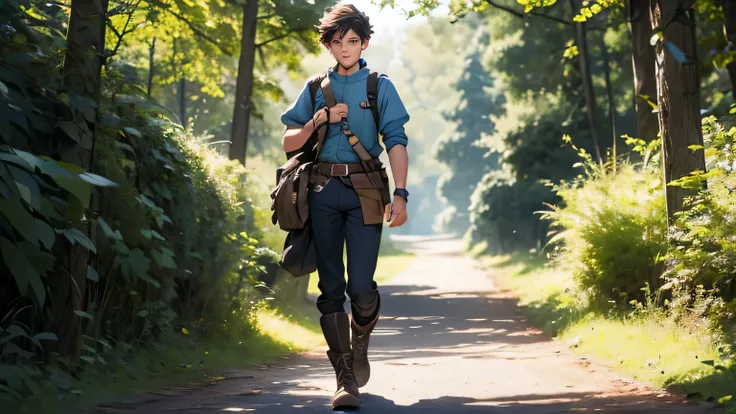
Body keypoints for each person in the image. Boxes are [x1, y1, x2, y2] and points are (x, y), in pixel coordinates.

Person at [279, 2, 411, 410]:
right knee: (330, 287)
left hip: (367, 190)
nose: (346, 48)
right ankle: (344, 378)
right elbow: (289, 143)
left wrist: (401, 193)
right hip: (321, 190)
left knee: (361, 287)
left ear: (365, 42)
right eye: (338, 42)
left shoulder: (379, 86)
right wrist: (319, 120)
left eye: (353, 40)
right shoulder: (317, 87)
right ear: (330, 46)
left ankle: (361, 340)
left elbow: (396, 142)